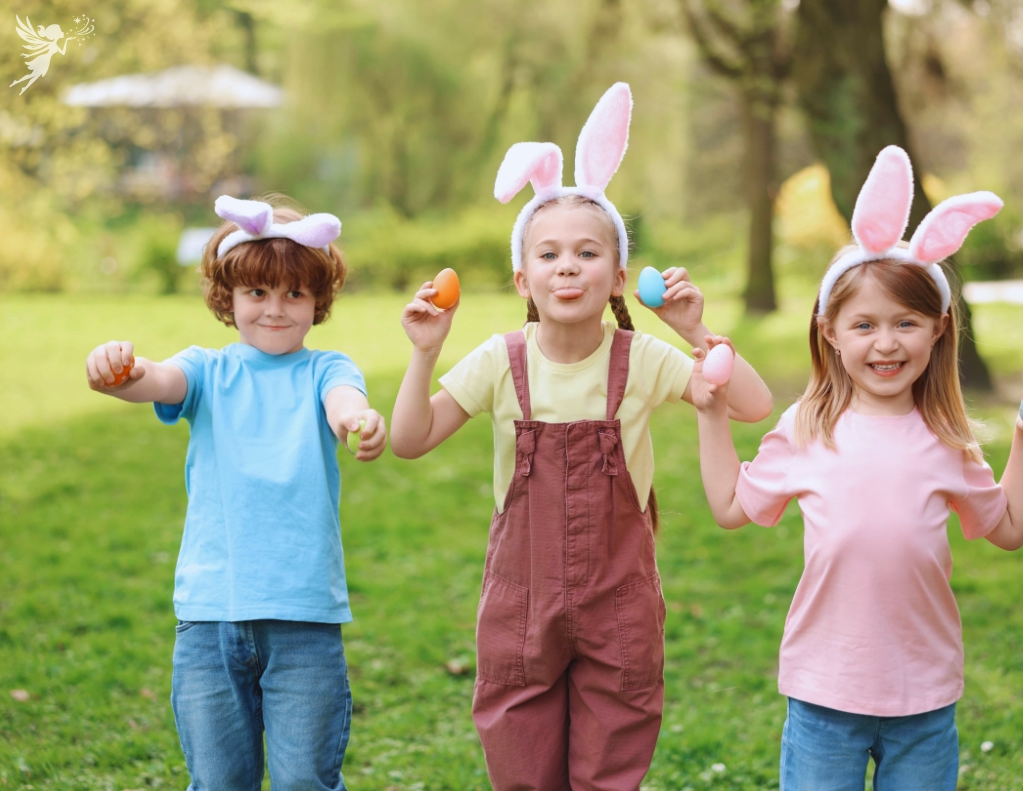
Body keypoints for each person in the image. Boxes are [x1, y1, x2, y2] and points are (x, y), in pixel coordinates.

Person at [389, 83, 772, 790]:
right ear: (523, 278)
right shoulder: (500, 361)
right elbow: (410, 439)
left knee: (612, 754)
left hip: (618, 598)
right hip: (521, 599)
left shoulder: (643, 358)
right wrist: (423, 352)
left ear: (619, 274)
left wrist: (694, 332)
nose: (568, 266)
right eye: (550, 254)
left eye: (588, 253)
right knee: (521, 752)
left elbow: (749, 403)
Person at [690, 146, 1023, 790]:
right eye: (864, 324)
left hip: (923, 698)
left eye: (906, 322)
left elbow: (1006, 527)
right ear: (831, 332)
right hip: (823, 695)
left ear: (939, 329)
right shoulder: (806, 429)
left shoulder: (948, 440)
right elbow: (733, 509)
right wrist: (710, 414)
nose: (887, 342)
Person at [84, 194, 386, 791]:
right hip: (208, 617)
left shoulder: (327, 370)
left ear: (317, 301)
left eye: (294, 294)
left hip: (303, 620)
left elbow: (344, 402)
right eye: (257, 293)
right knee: (219, 781)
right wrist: (120, 369)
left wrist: (360, 421)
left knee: (306, 781)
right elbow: (156, 379)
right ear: (229, 297)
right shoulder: (207, 369)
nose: (275, 310)